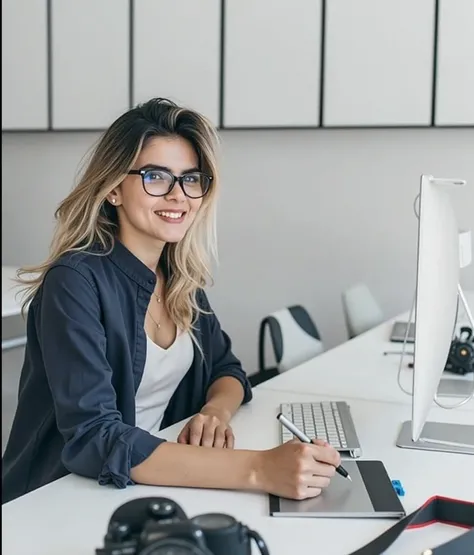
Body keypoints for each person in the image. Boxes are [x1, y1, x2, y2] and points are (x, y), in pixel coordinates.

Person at [2, 98, 340, 504]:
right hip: (58, 499)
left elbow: (227, 369)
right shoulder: (74, 282)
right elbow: (95, 437)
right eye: (156, 176)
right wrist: (260, 469)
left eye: (191, 179)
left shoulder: (178, 276)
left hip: (144, 485)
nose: (179, 195)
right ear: (113, 189)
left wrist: (214, 412)